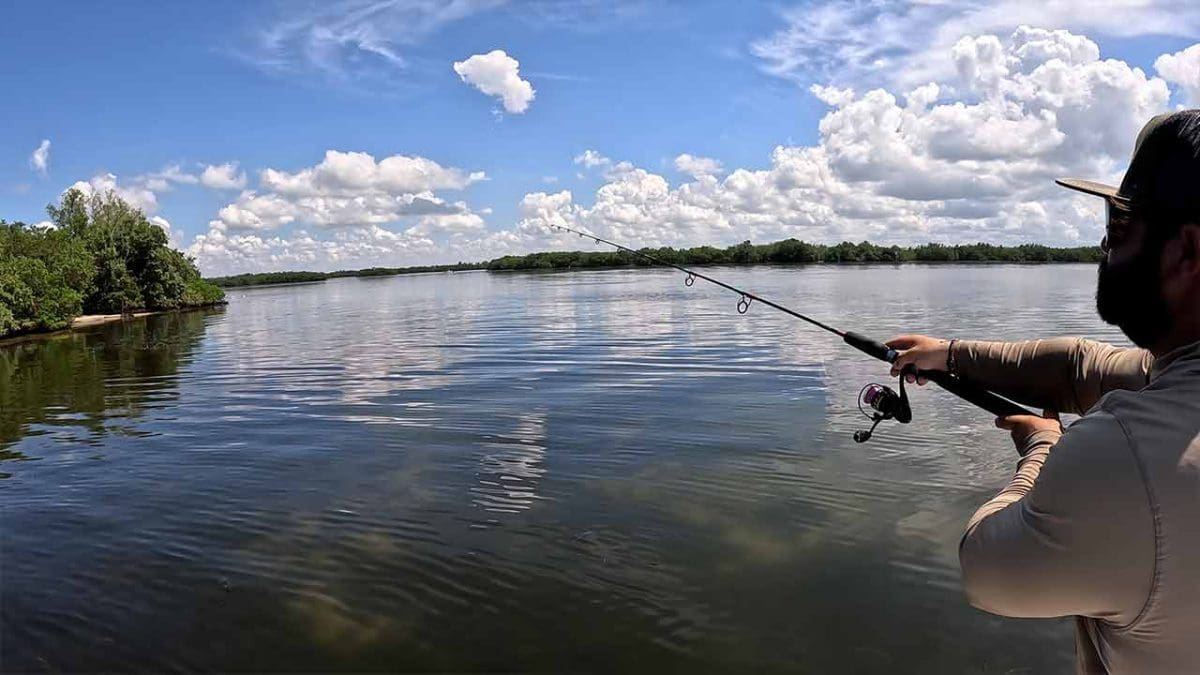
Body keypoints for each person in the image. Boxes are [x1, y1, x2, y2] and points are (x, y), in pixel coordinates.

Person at [886, 110, 1200, 674]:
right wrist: (950, 354)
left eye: (1122, 226)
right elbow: (1084, 367)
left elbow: (988, 572)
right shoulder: (1178, 386)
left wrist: (1042, 450)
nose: (1105, 244)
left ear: (1188, 252)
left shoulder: (1122, 458)